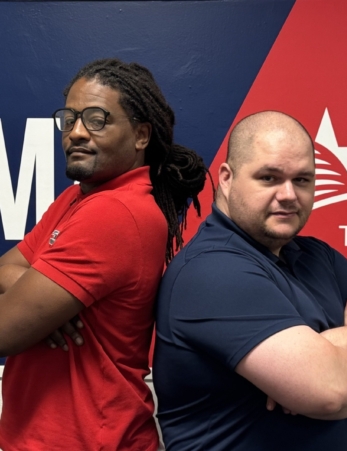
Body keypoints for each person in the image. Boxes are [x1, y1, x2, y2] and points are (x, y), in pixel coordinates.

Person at [0, 58, 208, 450]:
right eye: (70, 118)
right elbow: (4, 268)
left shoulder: (114, 213)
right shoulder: (78, 199)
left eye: (97, 119)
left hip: (88, 440)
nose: (76, 133)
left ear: (141, 135)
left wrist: (31, 302)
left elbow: (2, 331)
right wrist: (31, 293)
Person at [153, 110, 347, 451]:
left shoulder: (319, 257)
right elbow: (332, 392)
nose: (288, 195)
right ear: (226, 178)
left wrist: (324, 349)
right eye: (269, 178)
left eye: (302, 180)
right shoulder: (212, 271)